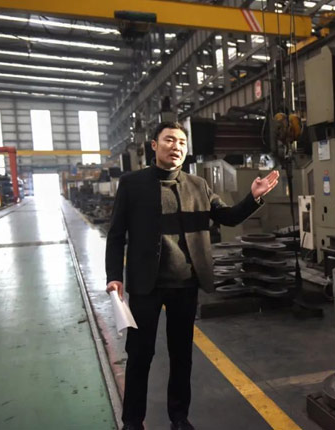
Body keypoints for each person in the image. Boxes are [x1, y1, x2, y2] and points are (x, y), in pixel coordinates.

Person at [105, 121, 279, 430]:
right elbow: (116, 234)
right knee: (140, 354)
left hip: (185, 283)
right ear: (154, 145)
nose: (176, 146)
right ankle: (132, 420)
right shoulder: (132, 184)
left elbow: (227, 217)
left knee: (181, 355)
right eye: (169, 140)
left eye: (182, 142)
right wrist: (114, 275)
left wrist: (252, 197)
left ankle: (179, 417)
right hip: (146, 284)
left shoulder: (198, 185)